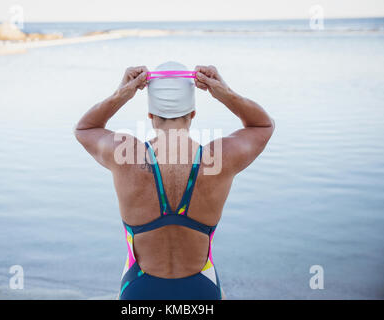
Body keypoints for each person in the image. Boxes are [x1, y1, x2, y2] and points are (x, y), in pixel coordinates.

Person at [74, 61, 275, 299]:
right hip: (200, 290)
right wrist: (224, 93)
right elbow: (262, 125)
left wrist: (122, 94)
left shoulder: (124, 154)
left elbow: (85, 129)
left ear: (150, 115)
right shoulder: (219, 158)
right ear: (192, 113)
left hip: (140, 290)